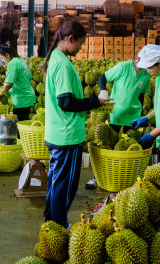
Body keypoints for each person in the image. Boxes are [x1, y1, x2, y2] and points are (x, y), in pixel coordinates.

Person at [43, 22, 109, 228]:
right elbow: (66, 102)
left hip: (57, 133)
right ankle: (60, 228)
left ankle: (51, 223)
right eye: (80, 43)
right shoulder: (62, 64)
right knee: (65, 188)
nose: (81, 48)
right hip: (67, 135)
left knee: (55, 183)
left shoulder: (55, 57)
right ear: (70, 39)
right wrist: (95, 101)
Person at [85, 57, 151, 189]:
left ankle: (124, 178)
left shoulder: (146, 74)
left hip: (133, 116)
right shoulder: (123, 67)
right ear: (137, 60)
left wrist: (141, 113)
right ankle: (96, 178)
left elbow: (142, 94)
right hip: (116, 114)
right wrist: (104, 91)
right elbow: (103, 77)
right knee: (107, 146)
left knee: (129, 149)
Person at [0, 44, 36, 122]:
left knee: (18, 126)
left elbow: (9, 84)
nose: (2, 60)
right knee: (23, 123)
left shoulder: (13, 63)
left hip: (21, 99)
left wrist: (0, 93)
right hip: (27, 96)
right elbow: (30, 77)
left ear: (7, 55)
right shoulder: (20, 60)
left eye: (2, 58)